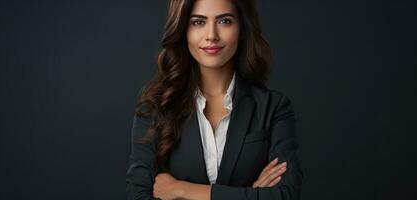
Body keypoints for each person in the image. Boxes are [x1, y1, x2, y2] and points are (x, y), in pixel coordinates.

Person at [126, 0, 303, 199]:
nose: (211, 35)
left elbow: (286, 195)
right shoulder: (155, 107)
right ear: (184, 29)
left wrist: (182, 189)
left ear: (242, 29)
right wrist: (252, 194)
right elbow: (137, 195)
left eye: (225, 21)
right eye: (198, 22)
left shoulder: (273, 107)